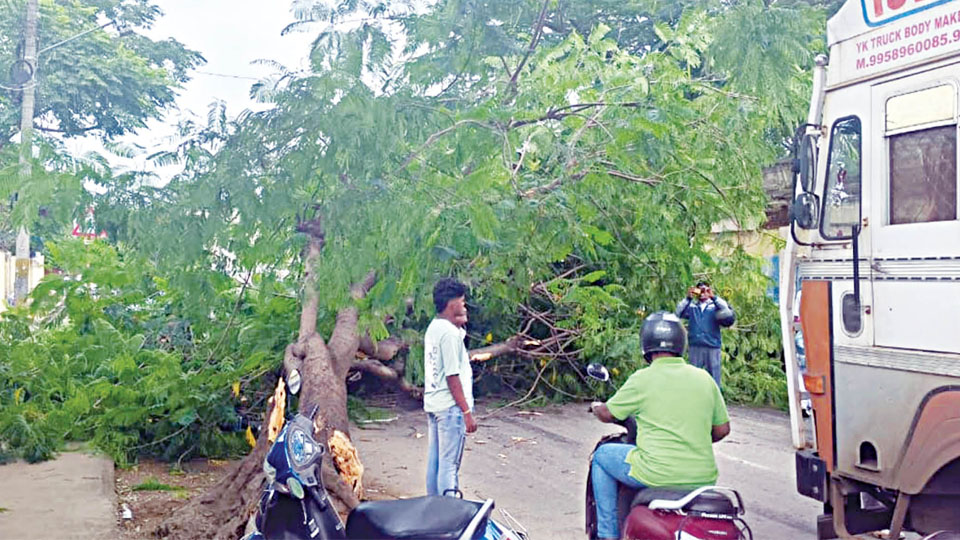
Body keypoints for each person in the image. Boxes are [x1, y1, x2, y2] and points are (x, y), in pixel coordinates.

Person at [590, 311, 731, 540]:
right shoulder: (704, 378)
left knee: (602, 456)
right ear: (681, 343)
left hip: (656, 474)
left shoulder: (642, 378)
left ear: (646, 344)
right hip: (702, 478)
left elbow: (608, 413)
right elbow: (722, 430)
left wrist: (597, 408)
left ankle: (607, 535)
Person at [423, 277, 477, 497]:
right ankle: (448, 510)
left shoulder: (435, 328)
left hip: (434, 405)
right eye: (462, 301)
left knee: (435, 462)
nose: (464, 305)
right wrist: (466, 412)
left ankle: (433, 506)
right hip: (451, 409)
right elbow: (452, 376)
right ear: (451, 303)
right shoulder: (449, 334)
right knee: (449, 465)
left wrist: (460, 324)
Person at [675, 281, 736, 388]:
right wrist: (688, 298)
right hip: (695, 346)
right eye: (700, 290)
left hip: (712, 345)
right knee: (693, 376)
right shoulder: (693, 307)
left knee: (714, 377)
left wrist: (714, 297)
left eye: (705, 290)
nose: (703, 292)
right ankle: (694, 400)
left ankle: (715, 400)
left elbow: (727, 311)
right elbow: (678, 312)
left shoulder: (715, 306)